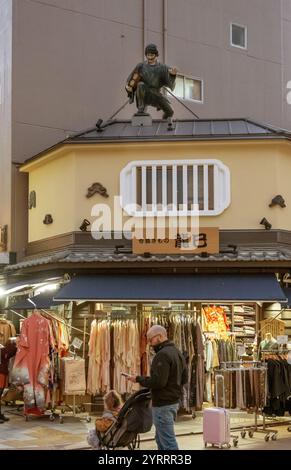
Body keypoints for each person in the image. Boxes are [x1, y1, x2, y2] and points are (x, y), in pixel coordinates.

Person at [126, 324, 187, 450]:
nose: (150, 343)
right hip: (173, 401)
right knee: (161, 439)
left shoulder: (162, 355)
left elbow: (158, 382)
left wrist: (139, 379)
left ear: (159, 337)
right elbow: (185, 378)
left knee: (167, 441)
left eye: (151, 339)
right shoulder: (177, 352)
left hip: (163, 404)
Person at [125, 43, 177, 120]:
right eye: (148, 55)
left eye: (152, 55)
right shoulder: (141, 66)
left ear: (156, 55)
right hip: (143, 92)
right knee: (140, 84)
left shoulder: (162, 67)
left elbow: (170, 83)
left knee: (170, 112)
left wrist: (173, 75)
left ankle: (164, 124)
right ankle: (141, 108)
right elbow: (131, 80)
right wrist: (129, 87)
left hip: (156, 93)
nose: (150, 57)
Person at [0, 338, 17, 423]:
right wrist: (13, 344)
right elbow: (6, 353)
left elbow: (8, 354)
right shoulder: (1, 349)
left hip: (2, 373)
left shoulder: (2, 348)